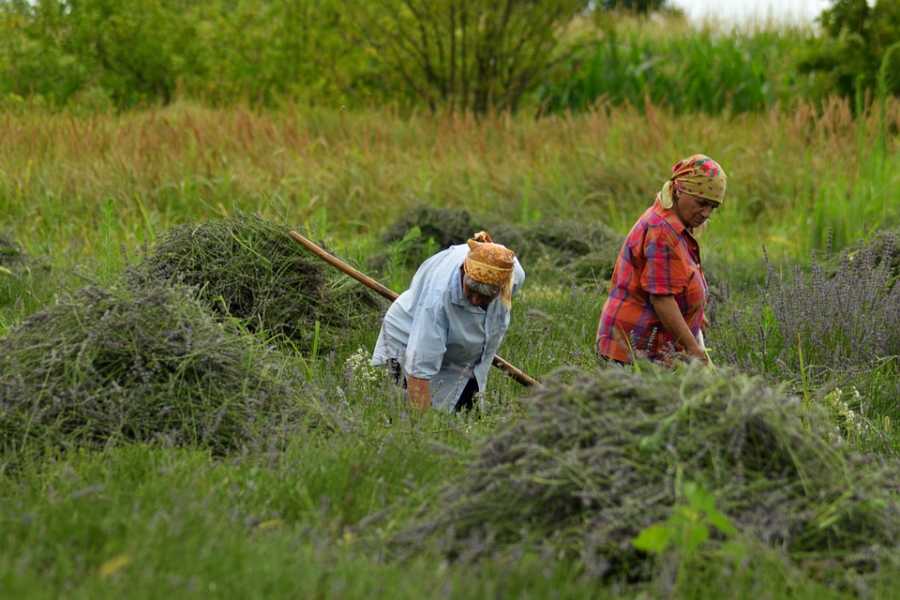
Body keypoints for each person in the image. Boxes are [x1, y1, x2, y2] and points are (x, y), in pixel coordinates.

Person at [372, 231, 525, 412]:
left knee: (466, 417)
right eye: (470, 291)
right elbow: (419, 368)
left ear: (503, 287)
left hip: (463, 356)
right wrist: (421, 430)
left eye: (484, 295)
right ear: (462, 271)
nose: (475, 300)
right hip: (409, 337)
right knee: (401, 411)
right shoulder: (438, 300)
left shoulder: (514, 276)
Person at [596, 154, 726, 365]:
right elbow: (662, 299)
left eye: (713, 207)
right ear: (678, 191)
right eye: (701, 203)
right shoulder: (662, 231)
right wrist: (693, 349)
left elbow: (677, 278)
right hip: (632, 352)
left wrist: (694, 313)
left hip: (653, 349)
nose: (706, 213)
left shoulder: (677, 226)